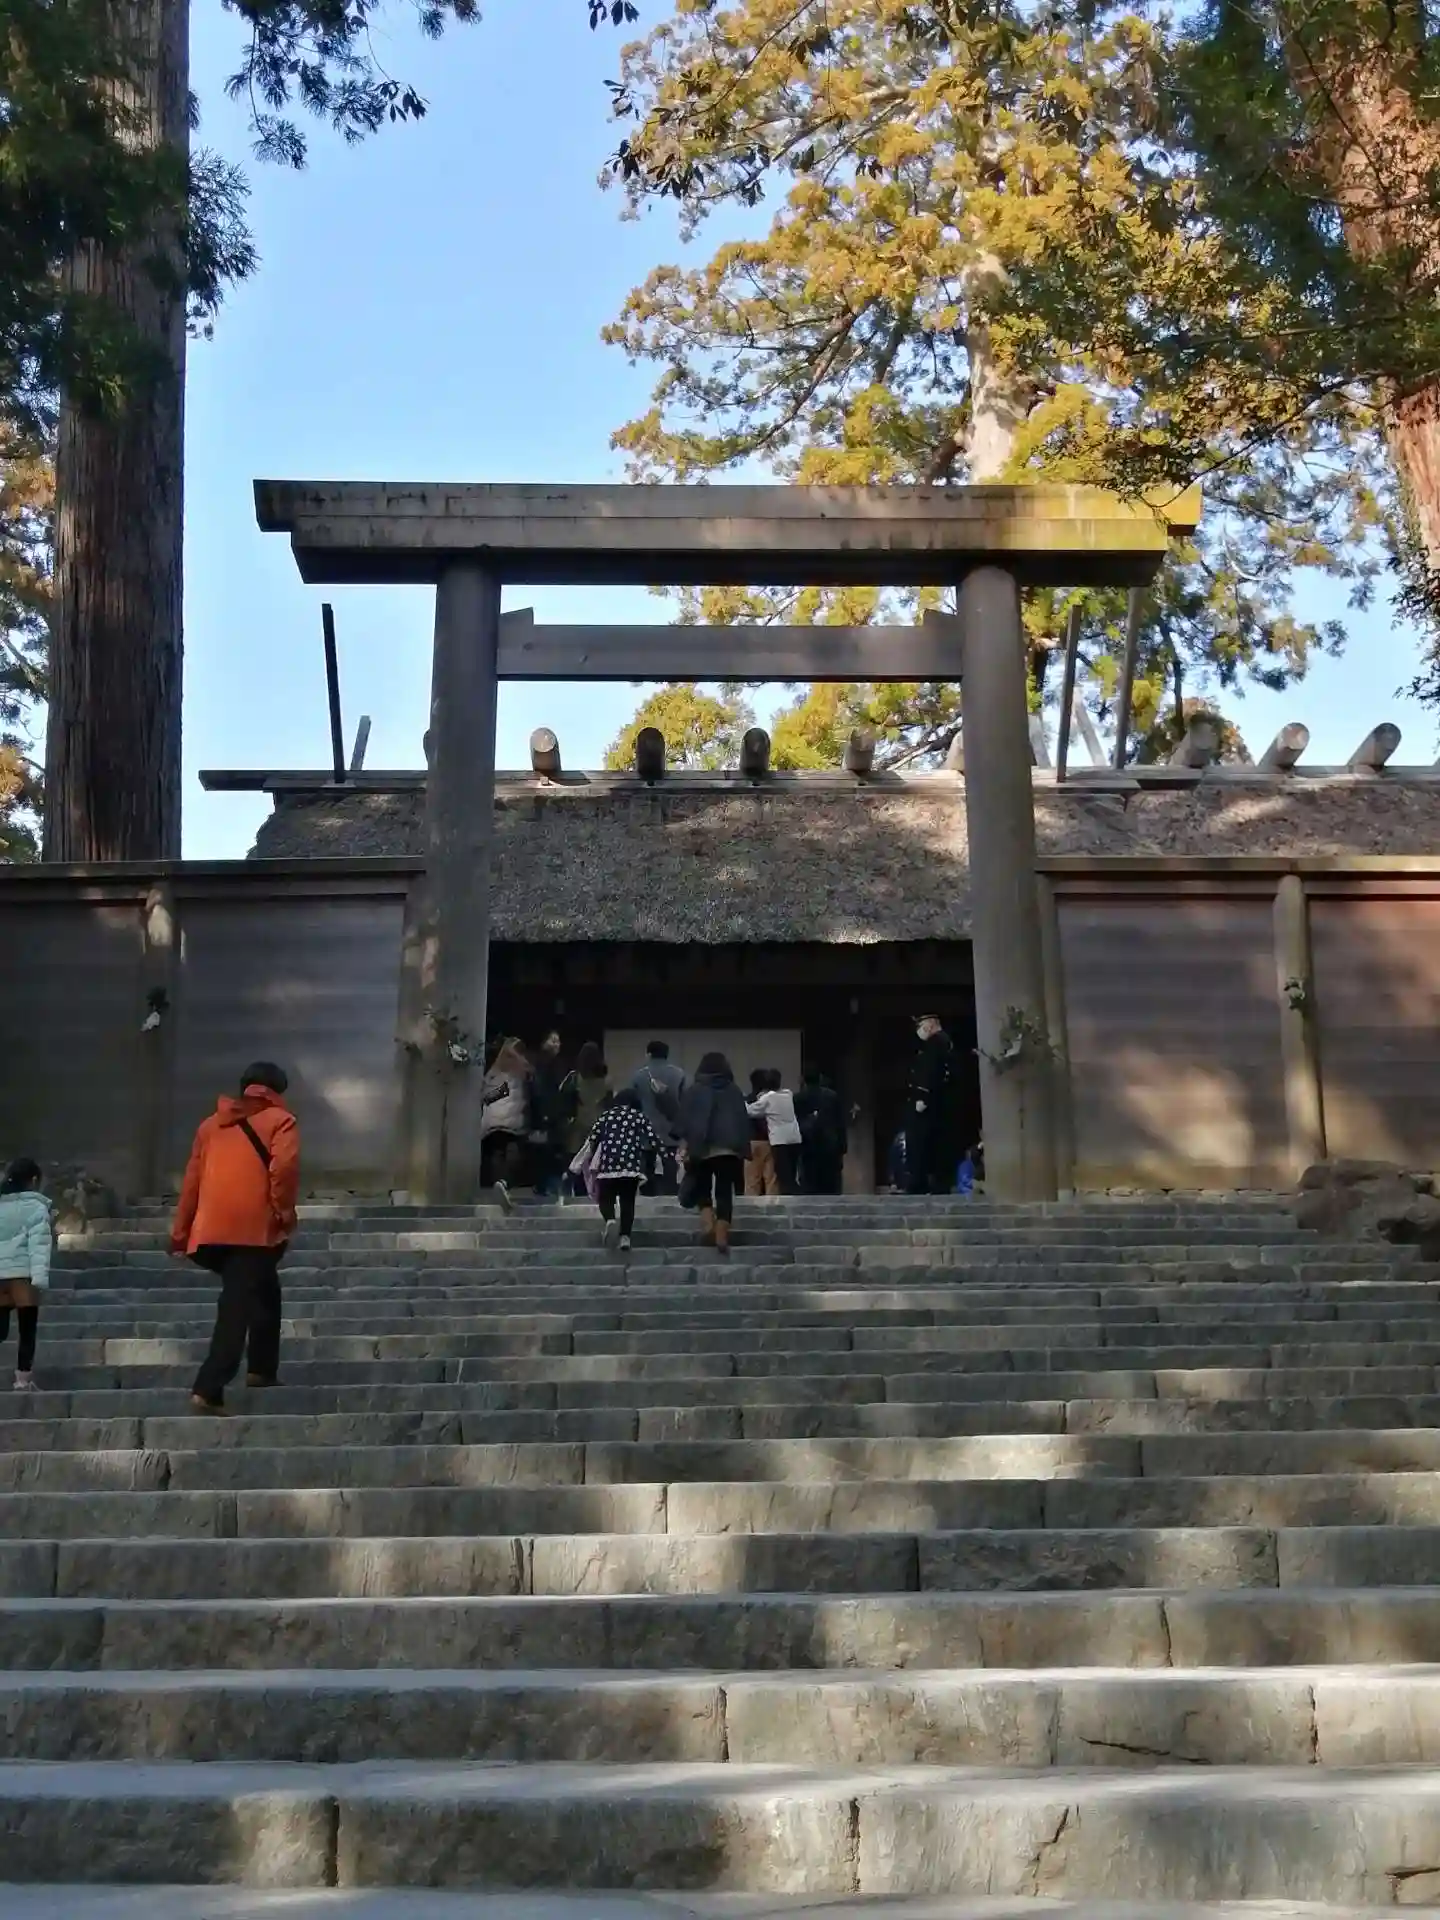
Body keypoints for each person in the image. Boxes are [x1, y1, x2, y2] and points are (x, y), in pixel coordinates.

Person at [171, 1062, 299, 1415]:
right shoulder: (281, 1121)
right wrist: (284, 1214)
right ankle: (208, 1386)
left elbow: (192, 1182)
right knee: (237, 1304)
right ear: (277, 1090)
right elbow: (284, 1171)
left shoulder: (210, 1126)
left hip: (212, 1229)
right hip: (252, 1228)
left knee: (265, 1289)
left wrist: (180, 1232)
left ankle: (262, 1367)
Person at [678, 1051, 751, 1257]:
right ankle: (721, 1234)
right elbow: (742, 1119)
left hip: (702, 1148)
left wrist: (685, 1146)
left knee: (703, 1187)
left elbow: (685, 1120)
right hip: (728, 1149)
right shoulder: (733, 1090)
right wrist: (742, 1147)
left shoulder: (694, 1090)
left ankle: (708, 1222)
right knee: (724, 1190)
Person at [580, 1088, 663, 1254]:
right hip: (631, 1167)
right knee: (627, 1201)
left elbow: (593, 1139)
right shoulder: (638, 1116)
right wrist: (664, 1156)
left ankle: (610, 1219)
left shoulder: (605, 1116)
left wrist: (585, 1162)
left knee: (606, 1197)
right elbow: (653, 1139)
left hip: (608, 1165)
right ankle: (625, 1236)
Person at [0, 1158, 52, 1391]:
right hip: (23, 1276)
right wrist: (40, 1278)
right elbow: (39, 1246)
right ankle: (22, 1380)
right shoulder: (36, 1208)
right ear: (33, 1180)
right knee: (27, 1331)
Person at [906, 1013, 961, 1195]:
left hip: (930, 1103)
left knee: (921, 1143)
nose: (919, 1030)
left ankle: (919, 1183)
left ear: (929, 1025)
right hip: (942, 1103)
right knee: (937, 1144)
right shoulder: (945, 1042)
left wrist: (923, 1096)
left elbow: (930, 1071)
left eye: (920, 1026)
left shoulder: (936, 1043)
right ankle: (935, 1182)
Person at [480, 1036, 532, 1210]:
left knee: (499, 1154)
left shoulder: (493, 1071)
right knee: (510, 1154)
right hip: (508, 1124)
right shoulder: (520, 1070)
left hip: (493, 1124)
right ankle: (502, 1183)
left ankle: (499, 1185)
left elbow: (486, 1096)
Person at [631, 1041, 686, 1194]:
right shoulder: (679, 1074)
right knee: (670, 1176)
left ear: (649, 1054)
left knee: (647, 1176)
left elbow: (634, 1104)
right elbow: (684, 1104)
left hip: (646, 1134)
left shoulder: (639, 1076)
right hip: (671, 1134)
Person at [561, 1042, 611, 1191]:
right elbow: (609, 1105)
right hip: (600, 1127)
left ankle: (579, 1194)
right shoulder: (607, 1081)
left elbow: (563, 1097)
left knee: (578, 1166)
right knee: (597, 1167)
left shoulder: (574, 1078)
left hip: (578, 1127)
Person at [529, 1030, 572, 1200]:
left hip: (551, 1114)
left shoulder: (554, 1063)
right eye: (552, 1040)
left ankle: (546, 1187)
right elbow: (542, 1089)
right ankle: (547, 1187)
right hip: (548, 1114)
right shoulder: (544, 1063)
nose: (556, 1044)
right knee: (549, 1152)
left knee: (550, 1152)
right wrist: (546, 1113)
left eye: (558, 1040)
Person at [747, 1069, 802, 1194]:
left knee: (782, 1175)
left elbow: (750, 1111)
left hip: (780, 1141)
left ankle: (789, 1198)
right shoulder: (788, 1094)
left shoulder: (767, 1098)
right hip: (795, 1138)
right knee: (791, 1174)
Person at [795, 1068, 848, 1195]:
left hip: (808, 1144)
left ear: (803, 1080)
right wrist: (843, 1145)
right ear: (820, 1078)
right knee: (831, 1183)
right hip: (830, 1143)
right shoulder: (832, 1096)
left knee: (810, 1182)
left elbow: (796, 1121)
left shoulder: (798, 1098)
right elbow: (840, 1122)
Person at [743, 1068, 777, 1197]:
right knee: (771, 1180)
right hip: (769, 1141)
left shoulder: (747, 1100)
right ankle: (772, 1206)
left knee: (751, 1182)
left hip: (751, 1142)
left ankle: (751, 1207)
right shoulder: (771, 1099)